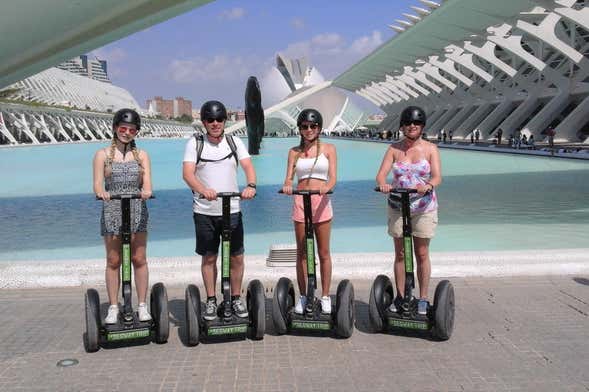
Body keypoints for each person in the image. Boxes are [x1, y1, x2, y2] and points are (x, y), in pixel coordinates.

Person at [182, 100, 257, 321]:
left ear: (225, 121)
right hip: (205, 211)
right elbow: (187, 174)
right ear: (204, 122)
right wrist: (203, 190)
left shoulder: (234, 142)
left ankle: (235, 298)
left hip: (232, 209)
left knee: (237, 257)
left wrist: (251, 185)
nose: (215, 123)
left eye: (219, 119)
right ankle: (212, 300)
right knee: (209, 258)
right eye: (210, 120)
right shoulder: (195, 143)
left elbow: (248, 167)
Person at [375, 106, 441, 316]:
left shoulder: (431, 149)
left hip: (423, 206)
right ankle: (401, 295)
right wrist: (384, 184)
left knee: (421, 253)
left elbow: (438, 177)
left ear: (422, 126)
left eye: (416, 123)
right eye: (408, 123)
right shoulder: (394, 149)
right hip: (398, 205)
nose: (412, 126)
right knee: (401, 253)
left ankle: (422, 298)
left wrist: (428, 185)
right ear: (402, 126)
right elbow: (381, 175)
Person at [93, 108, 153, 324]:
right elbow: (98, 184)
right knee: (113, 260)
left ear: (136, 132)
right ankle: (113, 306)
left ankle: (142, 305)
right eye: (123, 128)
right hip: (112, 211)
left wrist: (146, 191)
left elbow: (147, 184)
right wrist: (102, 193)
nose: (127, 132)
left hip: (137, 209)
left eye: (132, 130)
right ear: (115, 128)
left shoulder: (142, 155)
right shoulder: (102, 155)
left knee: (139, 258)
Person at [282, 109, 337, 314]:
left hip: (321, 203)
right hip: (300, 202)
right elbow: (288, 178)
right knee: (303, 253)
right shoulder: (294, 152)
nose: (309, 130)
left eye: (313, 126)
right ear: (300, 129)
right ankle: (304, 296)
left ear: (319, 128)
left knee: (323, 252)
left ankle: (324, 296)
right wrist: (288, 184)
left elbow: (332, 178)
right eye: (304, 126)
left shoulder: (329, 149)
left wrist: (326, 186)